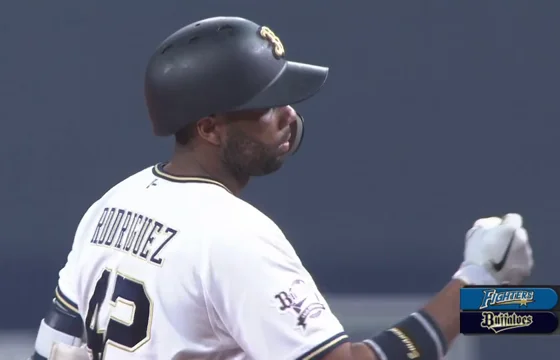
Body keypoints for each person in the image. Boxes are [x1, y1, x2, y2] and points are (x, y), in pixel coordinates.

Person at [30, 16, 534, 360]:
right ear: (209, 128)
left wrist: (530, 312)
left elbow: (53, 348)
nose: (290, 115)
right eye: (267, 104)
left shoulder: (112, 204)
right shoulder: (232, 235)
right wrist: (476, 287)